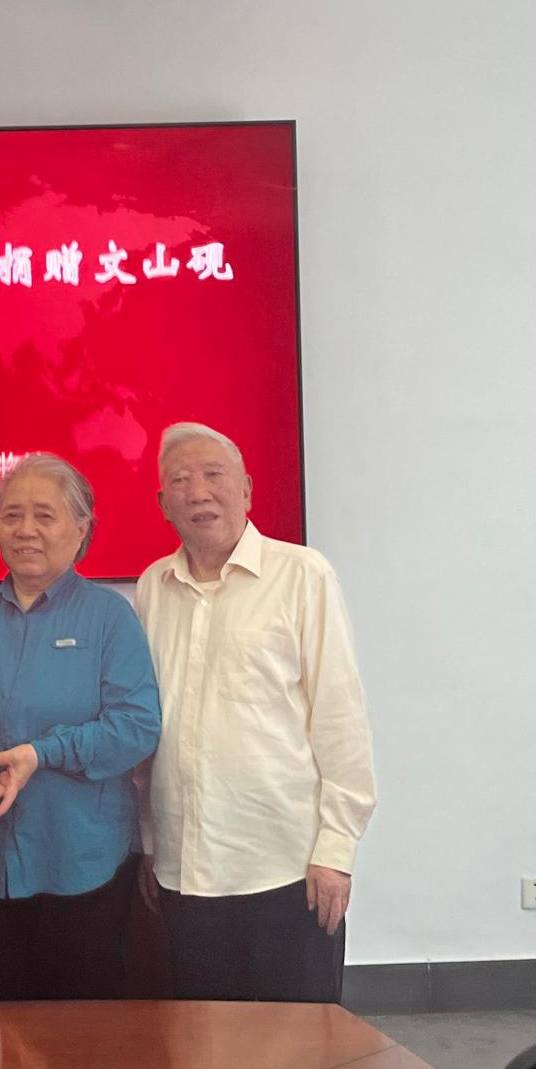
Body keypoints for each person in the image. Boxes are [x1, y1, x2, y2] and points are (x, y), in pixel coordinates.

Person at [135, 422, 375, 1003]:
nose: (198, 492)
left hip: (286, 869)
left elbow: (340, 720)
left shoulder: (303, 575)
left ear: (245, 488)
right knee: (203, 1049)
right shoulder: (152, 587)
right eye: (180, 481)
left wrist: (336, 853)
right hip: (185, 871)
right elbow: (149, 727)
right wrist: (148, 841)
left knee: (301, 1048)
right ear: (163, 504)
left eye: (212, 475)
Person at [0, 453, 161, 1001]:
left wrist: (42, 753)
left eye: (44, 515)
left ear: (81, 528)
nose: (25, 529)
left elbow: (136, 727)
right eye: (11, 515)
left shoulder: (110, 618)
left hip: (83, 863)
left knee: (81, 1031)